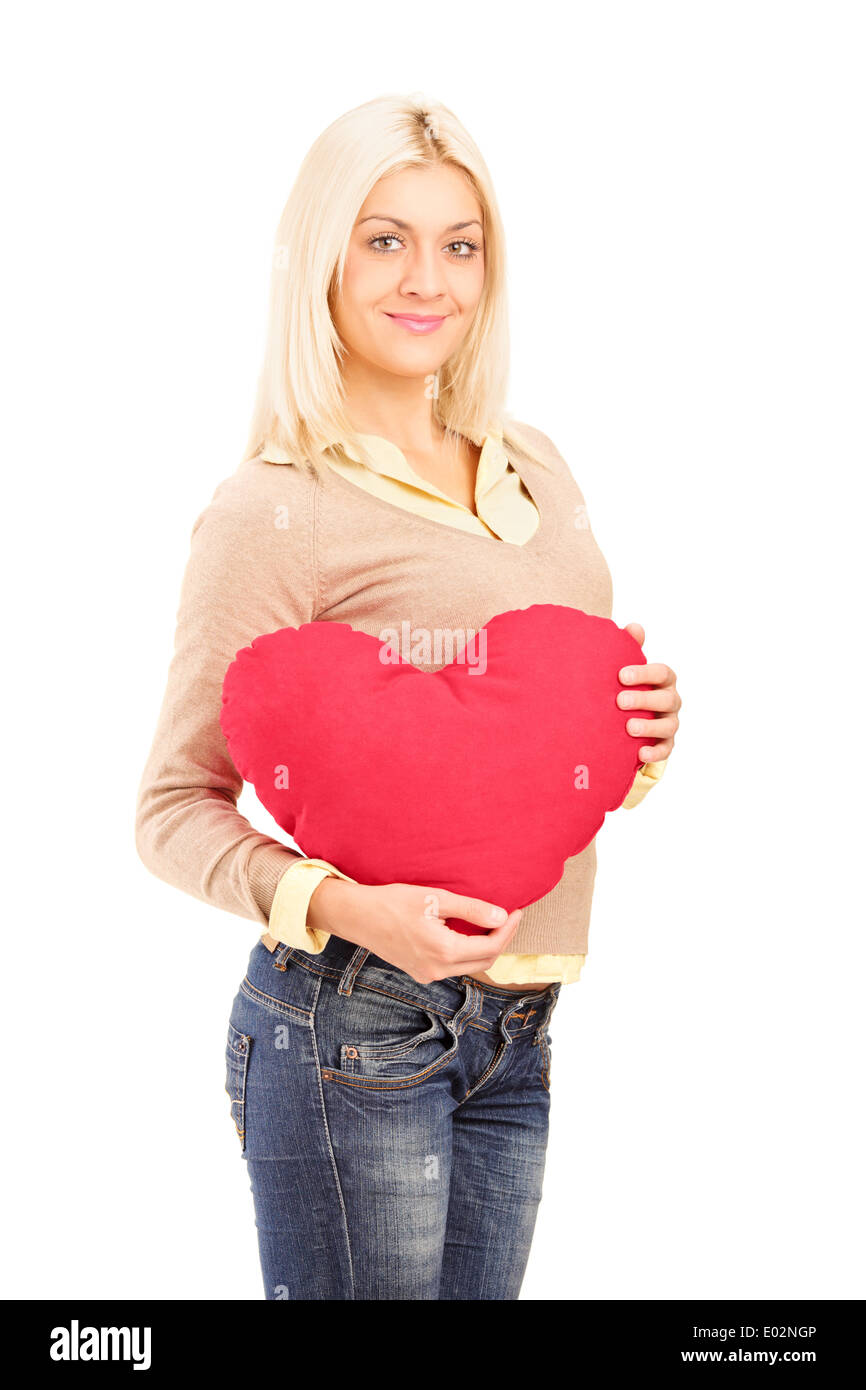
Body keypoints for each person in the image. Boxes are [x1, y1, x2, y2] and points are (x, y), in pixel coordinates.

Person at [135, 92, 681, 1300]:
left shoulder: (535, 462)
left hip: (519, 1034)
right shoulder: (274, 509)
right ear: (321, 256)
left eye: (458, 242)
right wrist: (353, 909)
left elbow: (551, 756)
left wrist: (641, 738)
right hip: (349, 1024)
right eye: (383, 238)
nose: (424, 278)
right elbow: (171, 808)